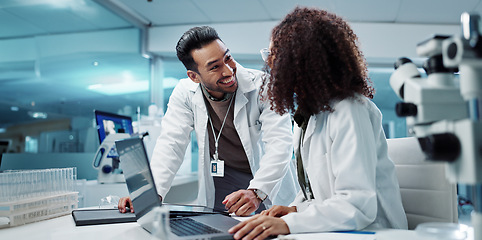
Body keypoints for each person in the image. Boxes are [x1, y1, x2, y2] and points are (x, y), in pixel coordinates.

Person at [229, 7, 408, 239]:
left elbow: (357, 205)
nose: (270, 65)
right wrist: (295, 209)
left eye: (275, 56)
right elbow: (320, 196)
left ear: (303, 62)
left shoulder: (351, 110)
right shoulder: (310, 115)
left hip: (375, 232)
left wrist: (290, 223)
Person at [118, 26, 298, 216]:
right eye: (215, 67)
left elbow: (281, 143)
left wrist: (257, 191)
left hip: (266, 180)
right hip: (222, 183)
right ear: (194, 76)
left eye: (227, 58)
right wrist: (150, 194)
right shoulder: (184, 93)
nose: (229, 71)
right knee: (218, 230)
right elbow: (171, 144)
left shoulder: (263, 85)